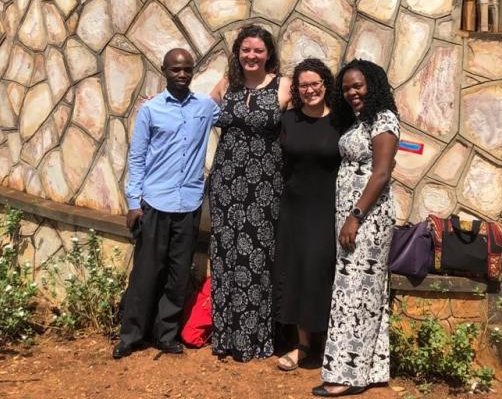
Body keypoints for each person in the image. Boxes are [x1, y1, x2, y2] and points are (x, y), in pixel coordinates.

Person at [113, 48, 220, 359]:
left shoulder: (204, 108)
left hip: (188, 206)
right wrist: (134, 202)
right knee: (145, 274)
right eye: (176, 70)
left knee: (177, 275)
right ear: (164, 71)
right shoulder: (151, 110)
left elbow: (233, 112)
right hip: (154, 204)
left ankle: (166, 335)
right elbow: (137, 158)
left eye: (187, 69)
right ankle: (131, 336)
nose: (182, 74)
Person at [313, 59, 399, 397]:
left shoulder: (384, 119)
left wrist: (356, 215)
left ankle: (345, 376)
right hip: (353, 215)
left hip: (368, 218)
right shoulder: (360, 121)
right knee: (363, 291)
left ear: (372, 85)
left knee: (354, 293)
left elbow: (381, 173)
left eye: (358, 86)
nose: (352, 93)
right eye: (347, 88)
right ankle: (372, 368)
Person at [207, 24, 291, 362]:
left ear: (268, 53)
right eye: (245, 50)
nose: (251, 56)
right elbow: (198, 111)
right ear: (237, 53)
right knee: (226, 255)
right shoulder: (227, 85)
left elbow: (309, 119)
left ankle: (254, 338)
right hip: (226, 183)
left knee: (257, 257)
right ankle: (226, 336)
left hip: (265, 186)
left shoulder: (282, 86)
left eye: (258, 50)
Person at [274, 58, 341, 372]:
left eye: (316, 83)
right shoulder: (288, 120)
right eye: (304, 85)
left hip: (328, 210)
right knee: (298, 273)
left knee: (320, 273)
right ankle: (302, 346)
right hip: (293, 209)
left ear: (325, 84)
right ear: (296, 90)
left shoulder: (342, 121)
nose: (310, 89)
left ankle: (329, 345)